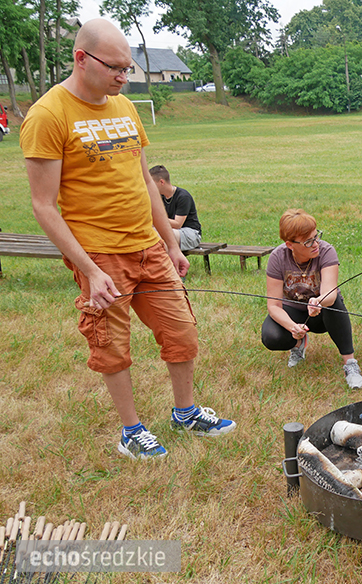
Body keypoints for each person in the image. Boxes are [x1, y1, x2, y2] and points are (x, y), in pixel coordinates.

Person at [19, 19, 235, 460]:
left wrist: (172, 245)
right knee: (111, 347)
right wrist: (90, 271)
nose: (124, 76)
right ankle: (131, 430)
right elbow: (43, 207)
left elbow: (144, 184)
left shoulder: (126, 108)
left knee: (182, 333)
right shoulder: (48, 115)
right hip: (99, 253)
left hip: (149, 246)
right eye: (115, 67)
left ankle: (185, 412)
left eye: (128, 67)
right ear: (81, 58)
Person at [261, 209, 362, 389]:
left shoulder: (327, 251)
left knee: (334, 304)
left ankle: (350, 364)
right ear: (290, 244)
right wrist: (292, 327)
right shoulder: (277, 257)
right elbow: (274, 305)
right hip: (293, 312)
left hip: (323, 312)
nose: (315, 243)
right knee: (271, 337)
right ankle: (299, 344)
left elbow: (330, 294)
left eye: (316, 236)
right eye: (308, 241)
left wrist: (319, 301)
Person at [149, 165, 202, 252]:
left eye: (152, 184)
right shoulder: (160, 198)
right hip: (172, 231)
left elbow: (178, 224)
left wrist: (156, 218)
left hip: (191, 234)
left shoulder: (183, 196)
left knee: (160, 234)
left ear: (162, 182)